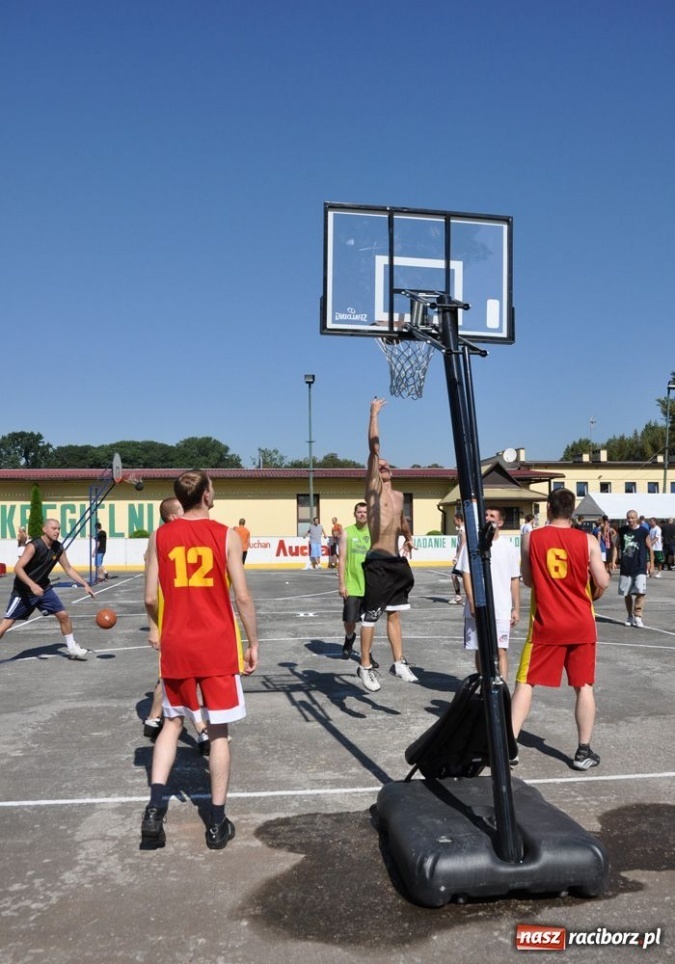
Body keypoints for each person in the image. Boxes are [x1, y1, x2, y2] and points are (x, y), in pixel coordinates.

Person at [142, 470, 259, 850]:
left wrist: (158, 625)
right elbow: (241, 596)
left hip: (177, 644)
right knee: (219, 731)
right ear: (206, 496)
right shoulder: (225, 535)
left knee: (172, 724)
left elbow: (149, 597)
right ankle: (217, 822)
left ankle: (155, 809)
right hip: (216, 645)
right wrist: (253, 642)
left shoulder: (160, 536)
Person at [511, 488, 610, 770]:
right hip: (581, 623)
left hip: (546, 622)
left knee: (525, 683)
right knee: (584, 686)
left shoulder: (531, 537)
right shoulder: (587, 539)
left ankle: (509, 745)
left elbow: (528, 580)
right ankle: (583, 751)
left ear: (549, 509)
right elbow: (601, 580)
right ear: (572, 512)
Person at [143, 497, 211, 756]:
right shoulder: (161, 539)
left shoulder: (167, 539)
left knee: (169, 674)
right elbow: (149, 595)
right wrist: (153, 626)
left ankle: (152, 718)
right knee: (188, 676)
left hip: (178, 619)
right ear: (173, 516)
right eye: (183, 510)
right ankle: (202, 728)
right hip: (174, 620)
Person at [357, 397, 416, 692]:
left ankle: (398, 661)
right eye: (379, 466)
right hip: (377, 561)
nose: (384, 466)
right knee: (371, 617)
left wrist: (408, 535)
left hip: (396, 562)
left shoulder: (399, 496)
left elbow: (402, 520)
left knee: (395, 614)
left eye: (386, 466)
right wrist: (374, 414)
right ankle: (365, 665)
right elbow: (374, 447)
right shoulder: (373, 491)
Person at [0, 519, 95, 659]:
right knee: (6, 624)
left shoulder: (58, 548)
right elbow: (18, 568)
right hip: (24, 592)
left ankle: (72, 648)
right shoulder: (34, 546)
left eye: (59, 529)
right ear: (45, 529)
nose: (57, 531)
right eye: (54, 528)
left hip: (44, 589)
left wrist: (85, 584)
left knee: (63, 615)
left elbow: (68, 568)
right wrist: (32, 585)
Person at [457, 506, 520, 679]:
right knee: (481, 649)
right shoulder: (473, 544)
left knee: (500, 650)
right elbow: (466, 573)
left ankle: (502, 689)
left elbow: (514, 579)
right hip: (479, 607)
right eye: (486, 514)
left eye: (492, 515)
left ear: (500, 522)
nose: (487, 517)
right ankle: (484, 684)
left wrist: (516, 608)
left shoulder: (509, 548)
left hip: (501, 608)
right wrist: (471, 601)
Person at [612, 510, 654, 627]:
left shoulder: (643, 531)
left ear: (636, 518)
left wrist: (651, 564)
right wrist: (613, 561)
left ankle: (638, 615)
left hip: (640, 566)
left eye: (632, 518)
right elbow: (615, 546)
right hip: (626, 567)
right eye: (628, 518)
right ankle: (630, 616)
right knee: (627, 593)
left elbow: (650, 548)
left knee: (641, 592)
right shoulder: (622, 531)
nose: (630, 520)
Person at [450, 511, 465, 604]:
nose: (453, 522)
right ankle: (458, 596)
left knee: (454, 575)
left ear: (459, 520)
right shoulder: (462, 529)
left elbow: (463, 543)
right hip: (462, 558)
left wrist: (457, 556)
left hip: (462, 558)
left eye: (454, 520)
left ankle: (458, 596)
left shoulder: (462, 530)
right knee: (454, 576)